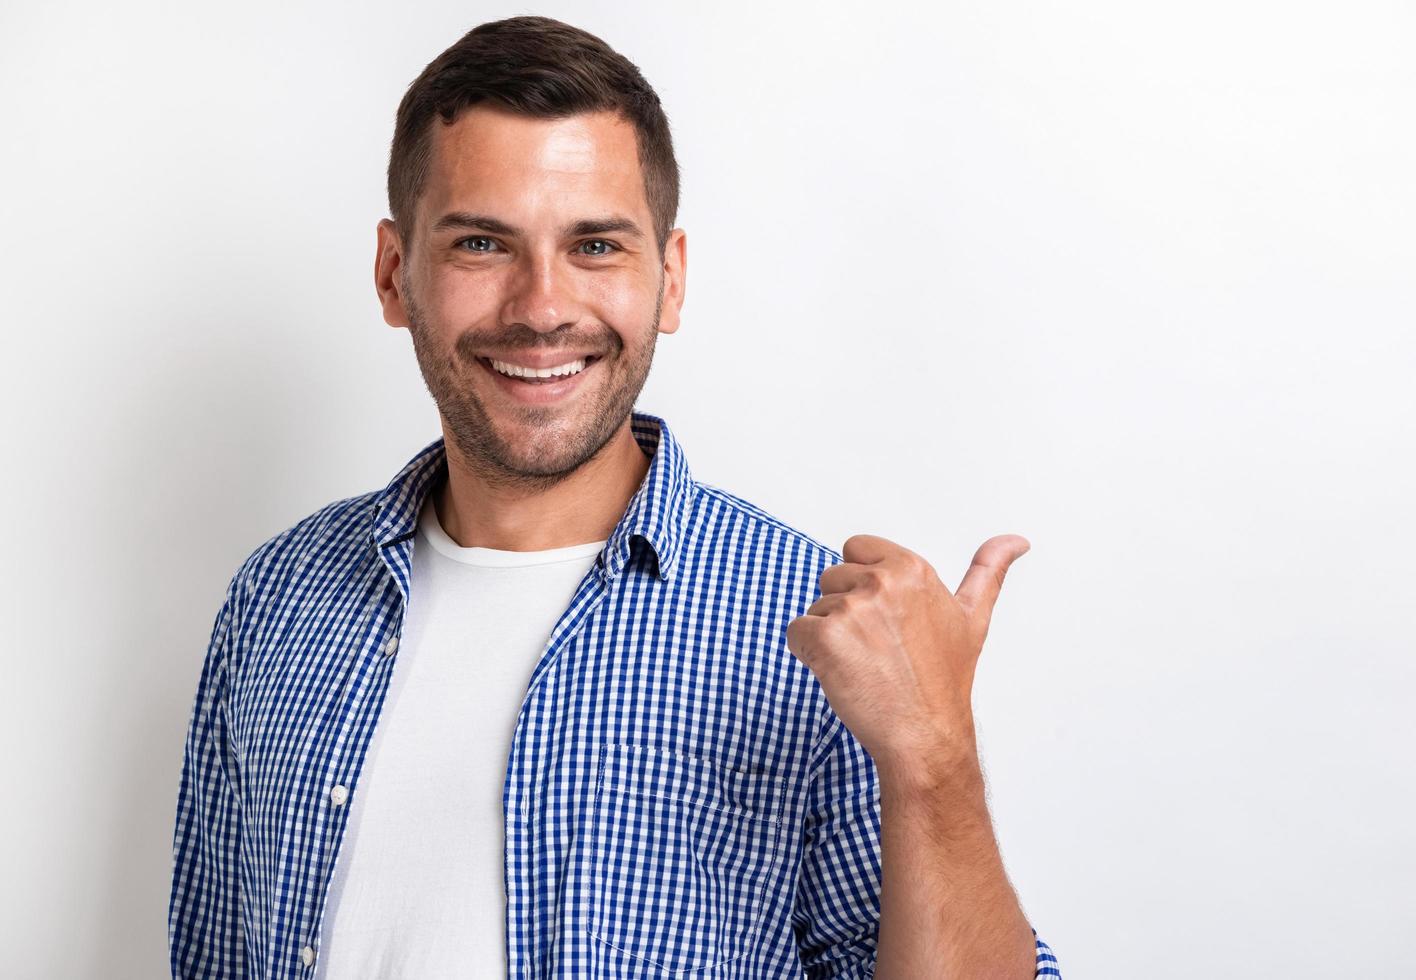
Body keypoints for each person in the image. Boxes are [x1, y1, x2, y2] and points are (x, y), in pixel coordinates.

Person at [167, 15, 1062, 979]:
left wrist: (935, 760)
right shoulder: (277, 601)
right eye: (480, 243)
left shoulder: (817, 630)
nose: (542, 307)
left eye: (595, 245)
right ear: (396, 274)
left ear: (668, 281)